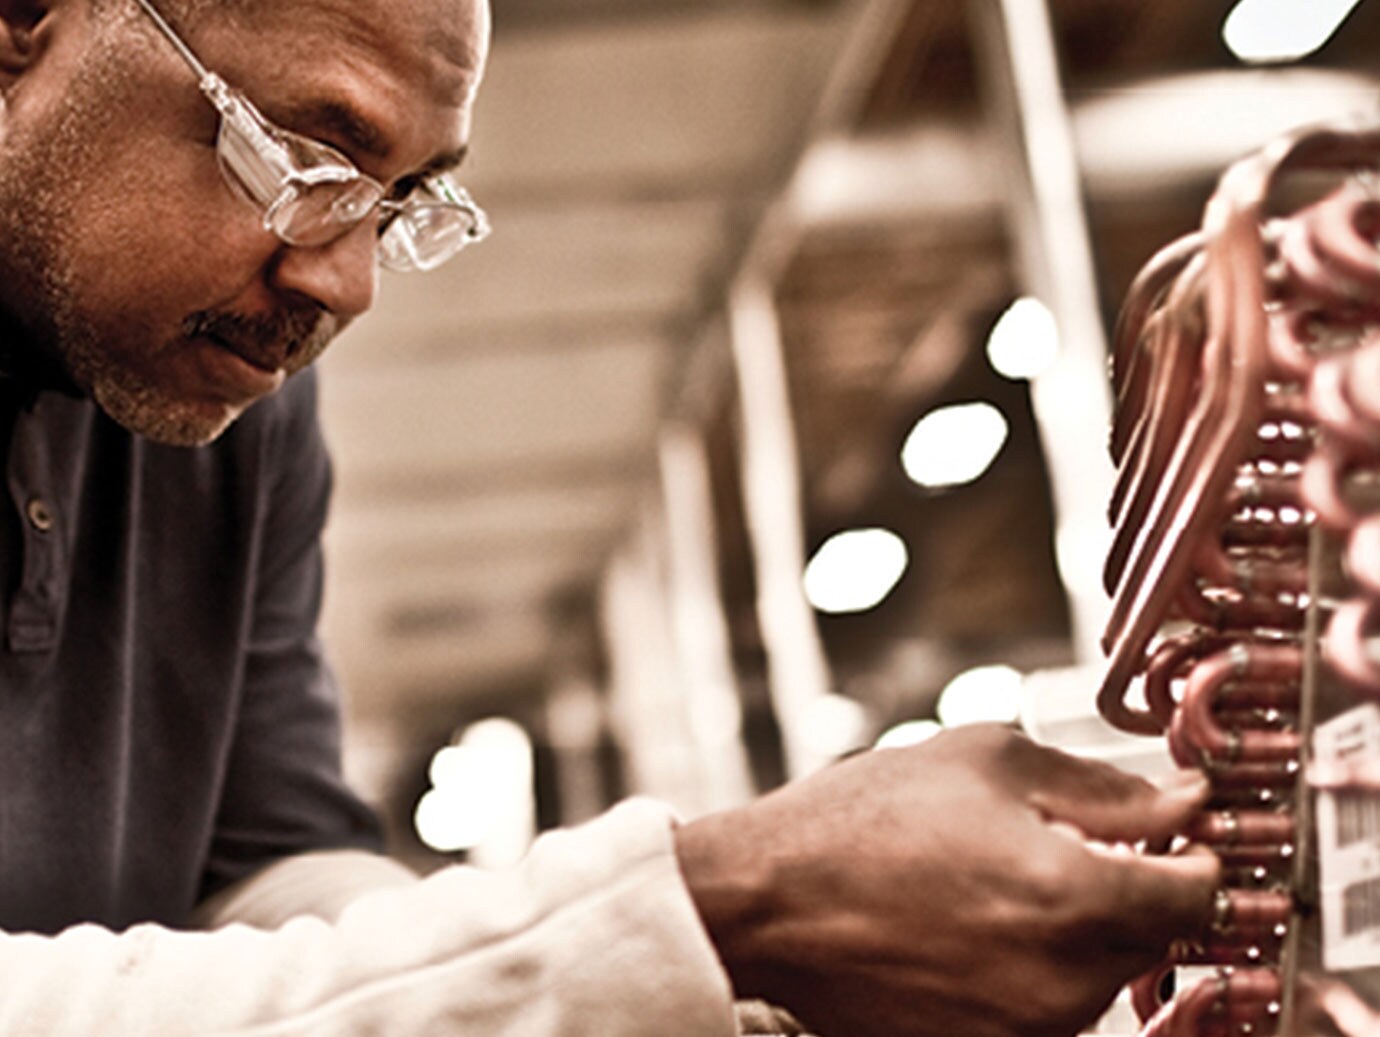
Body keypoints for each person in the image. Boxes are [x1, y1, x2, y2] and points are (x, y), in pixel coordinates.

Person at [0, 0, 1221, 1032]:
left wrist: (693, 987)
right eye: (306, 163)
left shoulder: (226, 414)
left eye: (401, 203)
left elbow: (260, 867)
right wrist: (701, 909)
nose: (347, 281)